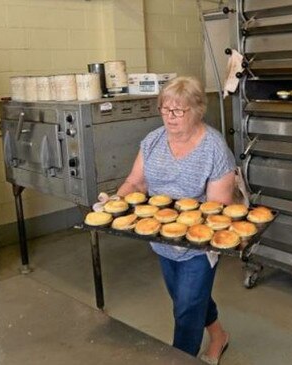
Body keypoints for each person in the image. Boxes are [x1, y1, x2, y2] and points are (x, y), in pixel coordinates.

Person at [116, 76, 239, 364]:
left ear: (197, 111)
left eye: (178, 110)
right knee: (188, 299)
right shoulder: (153, 141)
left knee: (185, 308)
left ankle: (180, 357)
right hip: (161, 238)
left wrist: (183, 224)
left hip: (198, 245)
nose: (170, 117)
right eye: (165, 109)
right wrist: (116, 200)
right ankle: (219, 335)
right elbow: (135, 182)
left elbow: (217, 209)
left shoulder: (214, 148)